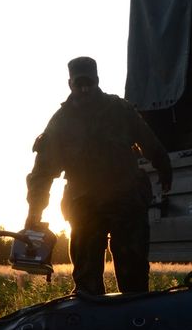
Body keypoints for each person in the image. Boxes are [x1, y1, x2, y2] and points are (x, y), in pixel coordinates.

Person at [25, 56, 172, 295]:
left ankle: (135, 325)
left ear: (97, 81)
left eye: (89, 83)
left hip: (127, 204)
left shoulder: (120, 109)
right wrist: (34, 213)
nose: (84, 89)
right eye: (79, 84)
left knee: (134, 275)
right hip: (85, 208)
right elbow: (42, 174)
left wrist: (164, 168)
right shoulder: (60, 123)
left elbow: (149, 142)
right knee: (87, 281)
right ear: (70, 83)